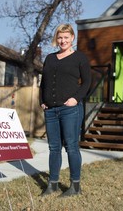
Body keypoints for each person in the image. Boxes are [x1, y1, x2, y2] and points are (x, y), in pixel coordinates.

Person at [39, 24, 91, 197]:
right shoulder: (50, 58)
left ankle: (75, 186)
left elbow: (87, 83)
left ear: (72, 38)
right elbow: (43, 82)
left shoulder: (80, 58)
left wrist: (75, 99)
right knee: (54, 148)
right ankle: (52, 184)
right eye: (60, 37)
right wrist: (42, 101)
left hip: (70, 110)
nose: (63, 40)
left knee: (71, 147)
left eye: (66, 37)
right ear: (56, 38)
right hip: (51, 111)